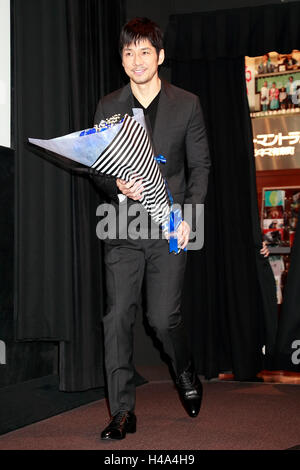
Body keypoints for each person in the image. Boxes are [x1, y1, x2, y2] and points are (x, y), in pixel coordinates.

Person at [91, 17, 211, 441]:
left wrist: (189, 219)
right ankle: (123, 411)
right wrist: (114, 182)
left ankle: (183, 370)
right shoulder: (109, 107)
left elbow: (200, 167)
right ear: (121, 60)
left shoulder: (187, 104)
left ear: (159, 56)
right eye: (128, 52)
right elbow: (98, 169)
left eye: (144, 51)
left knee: (163, 319)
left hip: (170, 227)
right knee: (117, 317)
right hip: (123, 226)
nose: (136, 60)